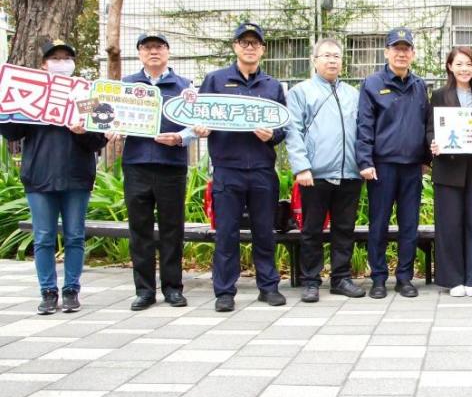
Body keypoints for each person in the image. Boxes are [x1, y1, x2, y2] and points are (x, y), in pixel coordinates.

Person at [0, 39, 107, 314]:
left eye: (66, 58)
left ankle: (72, 289)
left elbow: (99, 141)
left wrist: (84, 132)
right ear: (43, 65)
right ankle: (48, 291)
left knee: (74, 236)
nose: (61, 63)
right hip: (39, 177)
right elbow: (12, 132)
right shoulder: (30, 93)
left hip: (77, 177)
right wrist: (9, 103)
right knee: (44, 237)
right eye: (55, 58)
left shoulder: (86, 94)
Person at [194, 22, 287, 312]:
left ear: (263, 49)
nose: (250, 47)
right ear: (235, 47)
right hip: (227, 169)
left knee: (264, 231)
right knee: (226, 233)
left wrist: (272, 135)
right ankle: (224, 291)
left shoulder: (272, 86)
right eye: (244, 42)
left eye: (255, 43)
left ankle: (268, 286)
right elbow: (200, 116)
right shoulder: (215, 80)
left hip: (262, 169)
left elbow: (284, 128)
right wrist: (201, 129)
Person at [119, 33, 196, 311]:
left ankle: (173, 288)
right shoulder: (126, 85)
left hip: (171, 166)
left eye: (159, 47)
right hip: (136, 164)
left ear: (168, 52)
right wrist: (111, 128)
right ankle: (144, 290)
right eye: (147, 47)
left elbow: (196, 123)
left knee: (172, 229)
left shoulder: (184, 86)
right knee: (139, 229)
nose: (153, 52)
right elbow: (107, 114)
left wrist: (180, 138)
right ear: (139, 53)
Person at [286, 38, 366, 301]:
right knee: (312, 230)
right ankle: (311, 280)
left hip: (350, 174)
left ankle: (340, 278)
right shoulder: (301, 91)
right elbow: (293, 131)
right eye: (327, 56)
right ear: (315, 60)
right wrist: (301, 167)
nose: (332, 61)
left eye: (337, 56)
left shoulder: (353, 94)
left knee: (344, 228)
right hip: (315, 174)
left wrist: (363, 164)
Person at [356, 27, 431, 299]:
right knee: (379, 224)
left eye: (406, 48)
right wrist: (364, 161)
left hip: (412, 167)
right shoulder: (372, 83)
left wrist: (427, 158)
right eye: (396, 48)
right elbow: (364, 126)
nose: (401, 53)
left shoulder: (419, 85)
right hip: (382, 167)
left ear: (412, 53)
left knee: (409, 224)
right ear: (386, 52)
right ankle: (378, 279)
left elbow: (425, 125)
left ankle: (404, 277)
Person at [426, 47, 472, 297]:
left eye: (469, 64)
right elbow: (430, 129)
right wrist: (433, 143)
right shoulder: (439, 95)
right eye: (459, 64)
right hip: (448, 170)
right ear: (449, 67)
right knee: (449, 225)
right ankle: (452, 279)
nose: (464, 69)